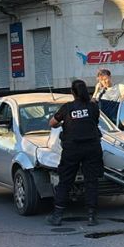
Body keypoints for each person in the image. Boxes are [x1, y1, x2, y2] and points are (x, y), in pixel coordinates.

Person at [46, 79, 104, 227]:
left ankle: (57, 216)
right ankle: (91, 216)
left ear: (72, 92)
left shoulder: (67, 108)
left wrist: (63, 123)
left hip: (72, 149)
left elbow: (52, 123)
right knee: (91, 181)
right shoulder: (93, 107)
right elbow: (94, 121)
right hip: (92, 147)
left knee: (65, 181)